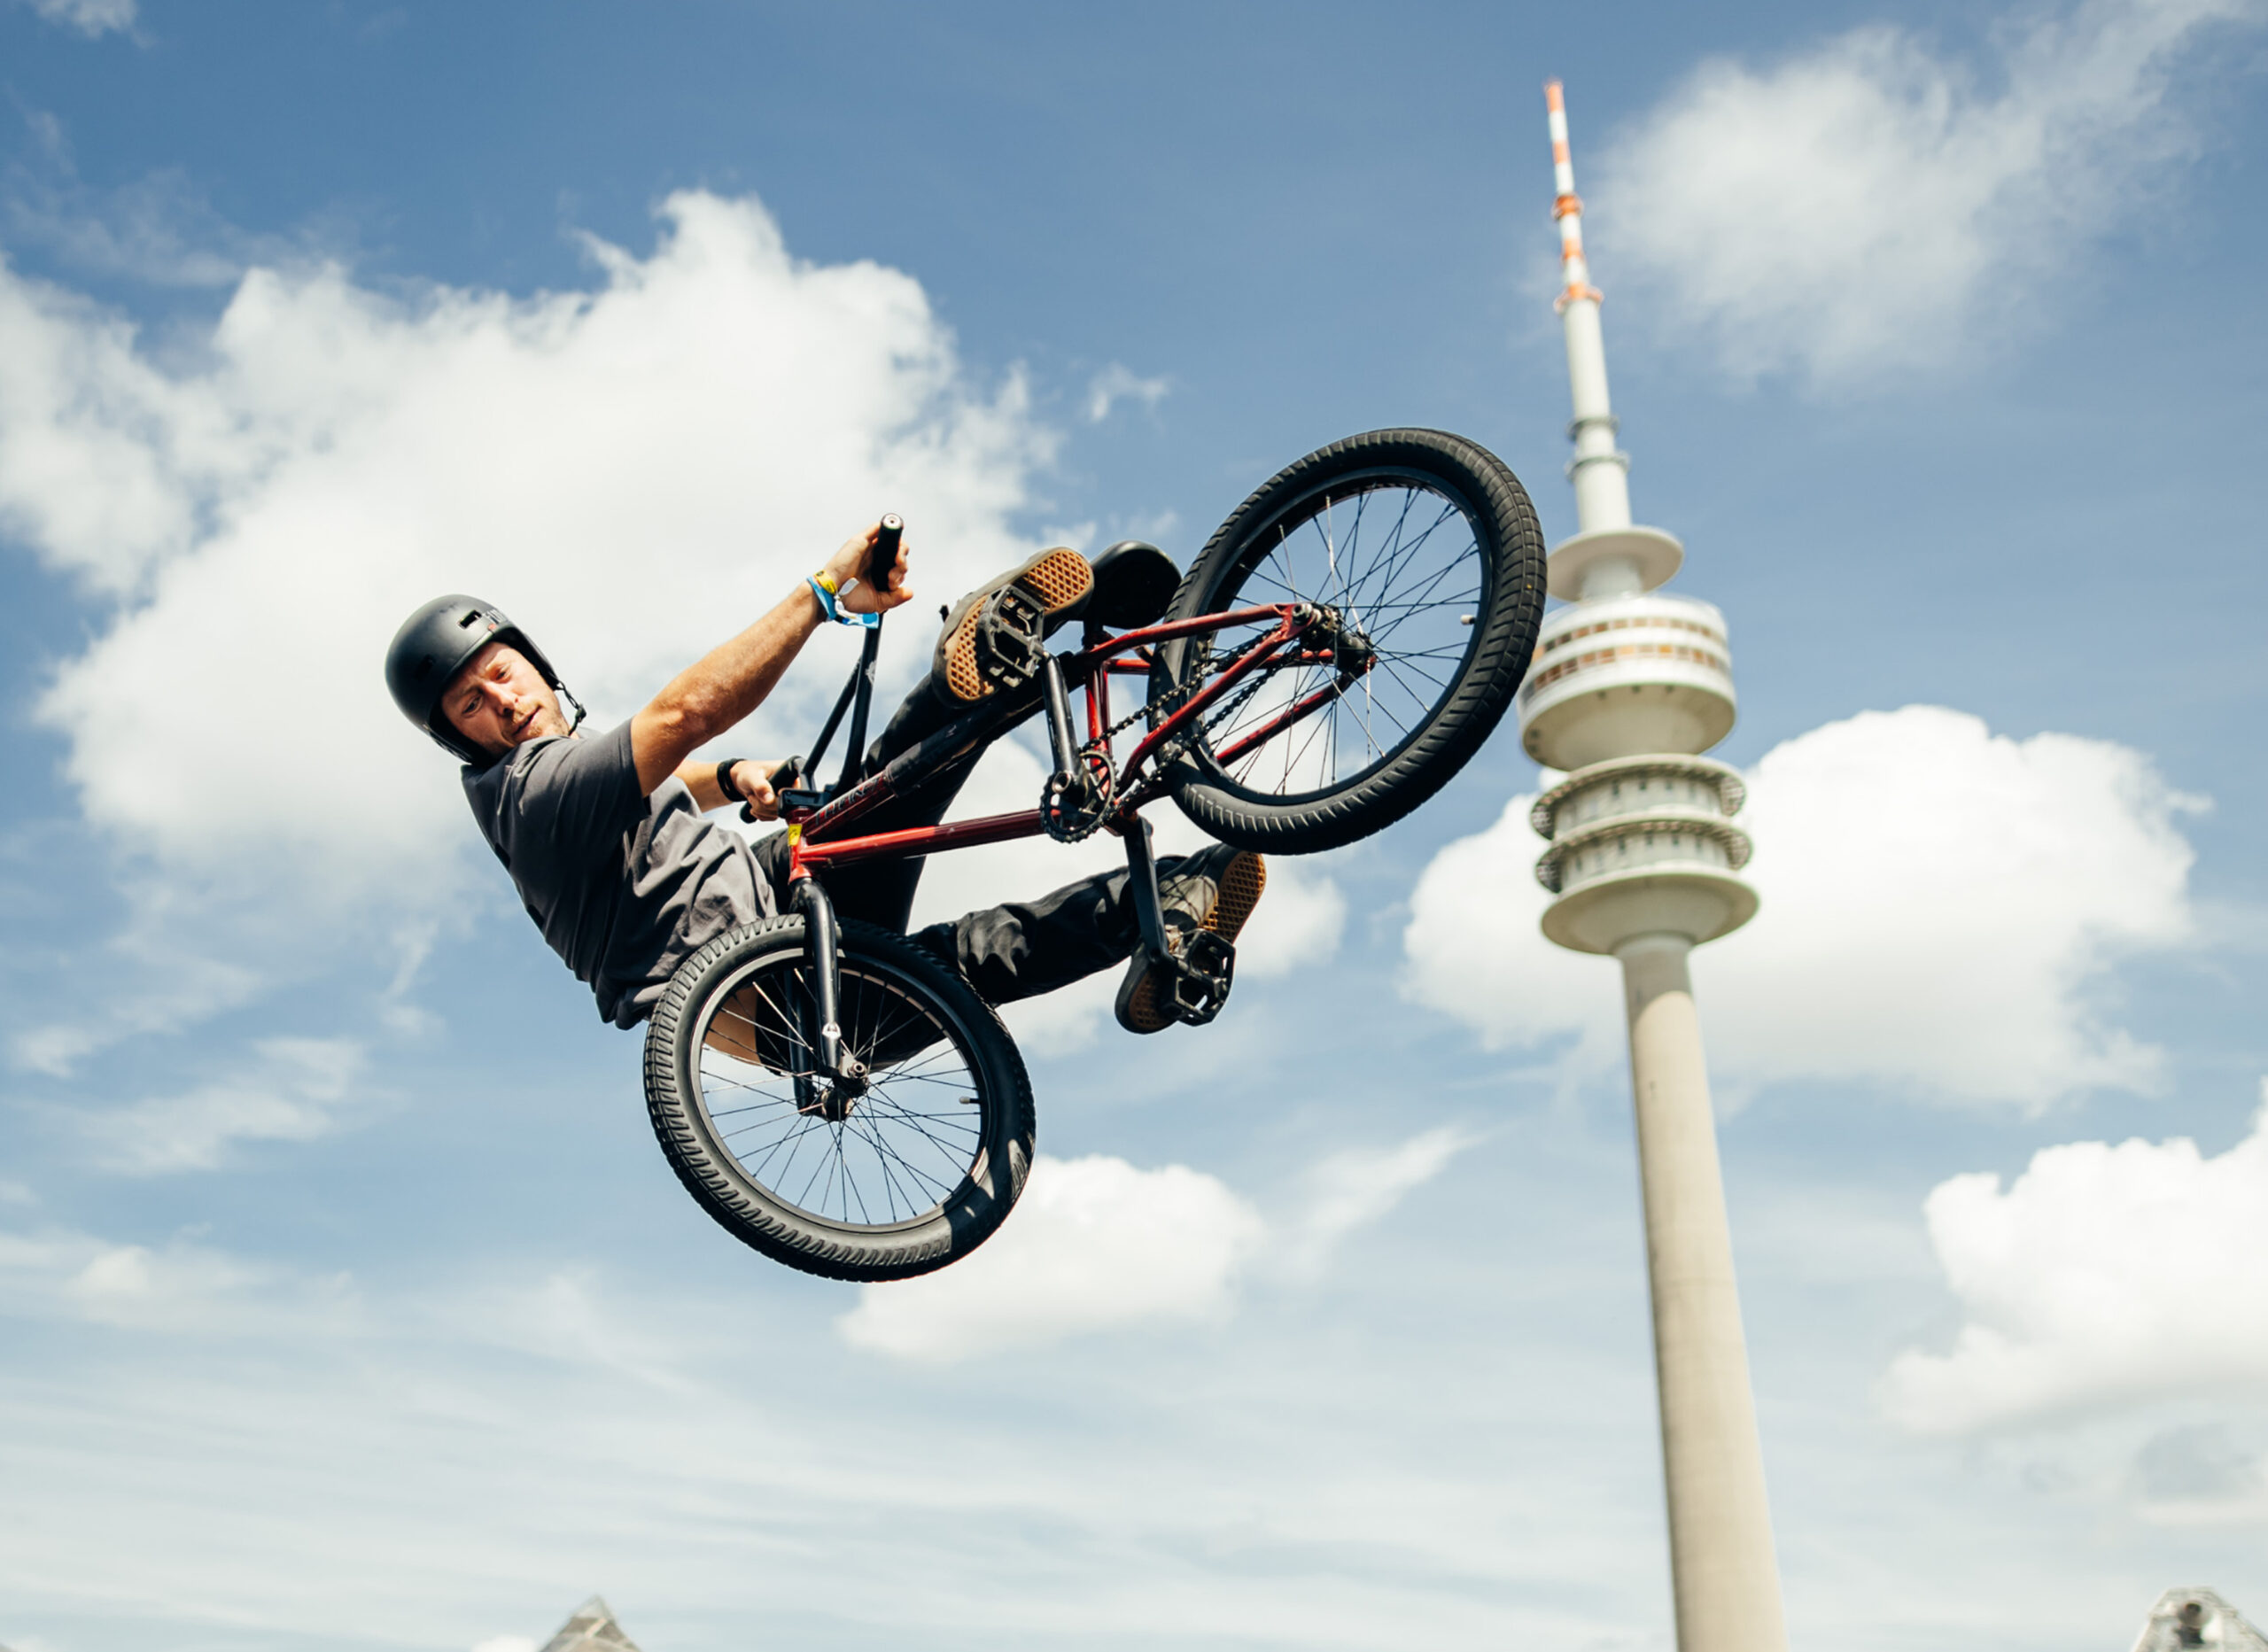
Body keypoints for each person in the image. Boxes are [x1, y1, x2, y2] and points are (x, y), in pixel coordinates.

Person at [383, 524, 1265, 1040]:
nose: (500, 701)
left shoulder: (552, 790)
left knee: (964, 936)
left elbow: (662, 772)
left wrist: (729, 777)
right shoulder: (533, 789)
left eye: (502, 673)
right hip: (768, 975)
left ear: (535, 665)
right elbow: (685, 712)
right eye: (470, 702)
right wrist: (824, 591)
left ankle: (1163, 897)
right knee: (907, 828)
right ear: (459, 738)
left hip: (772, 930)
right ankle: (982, 664)